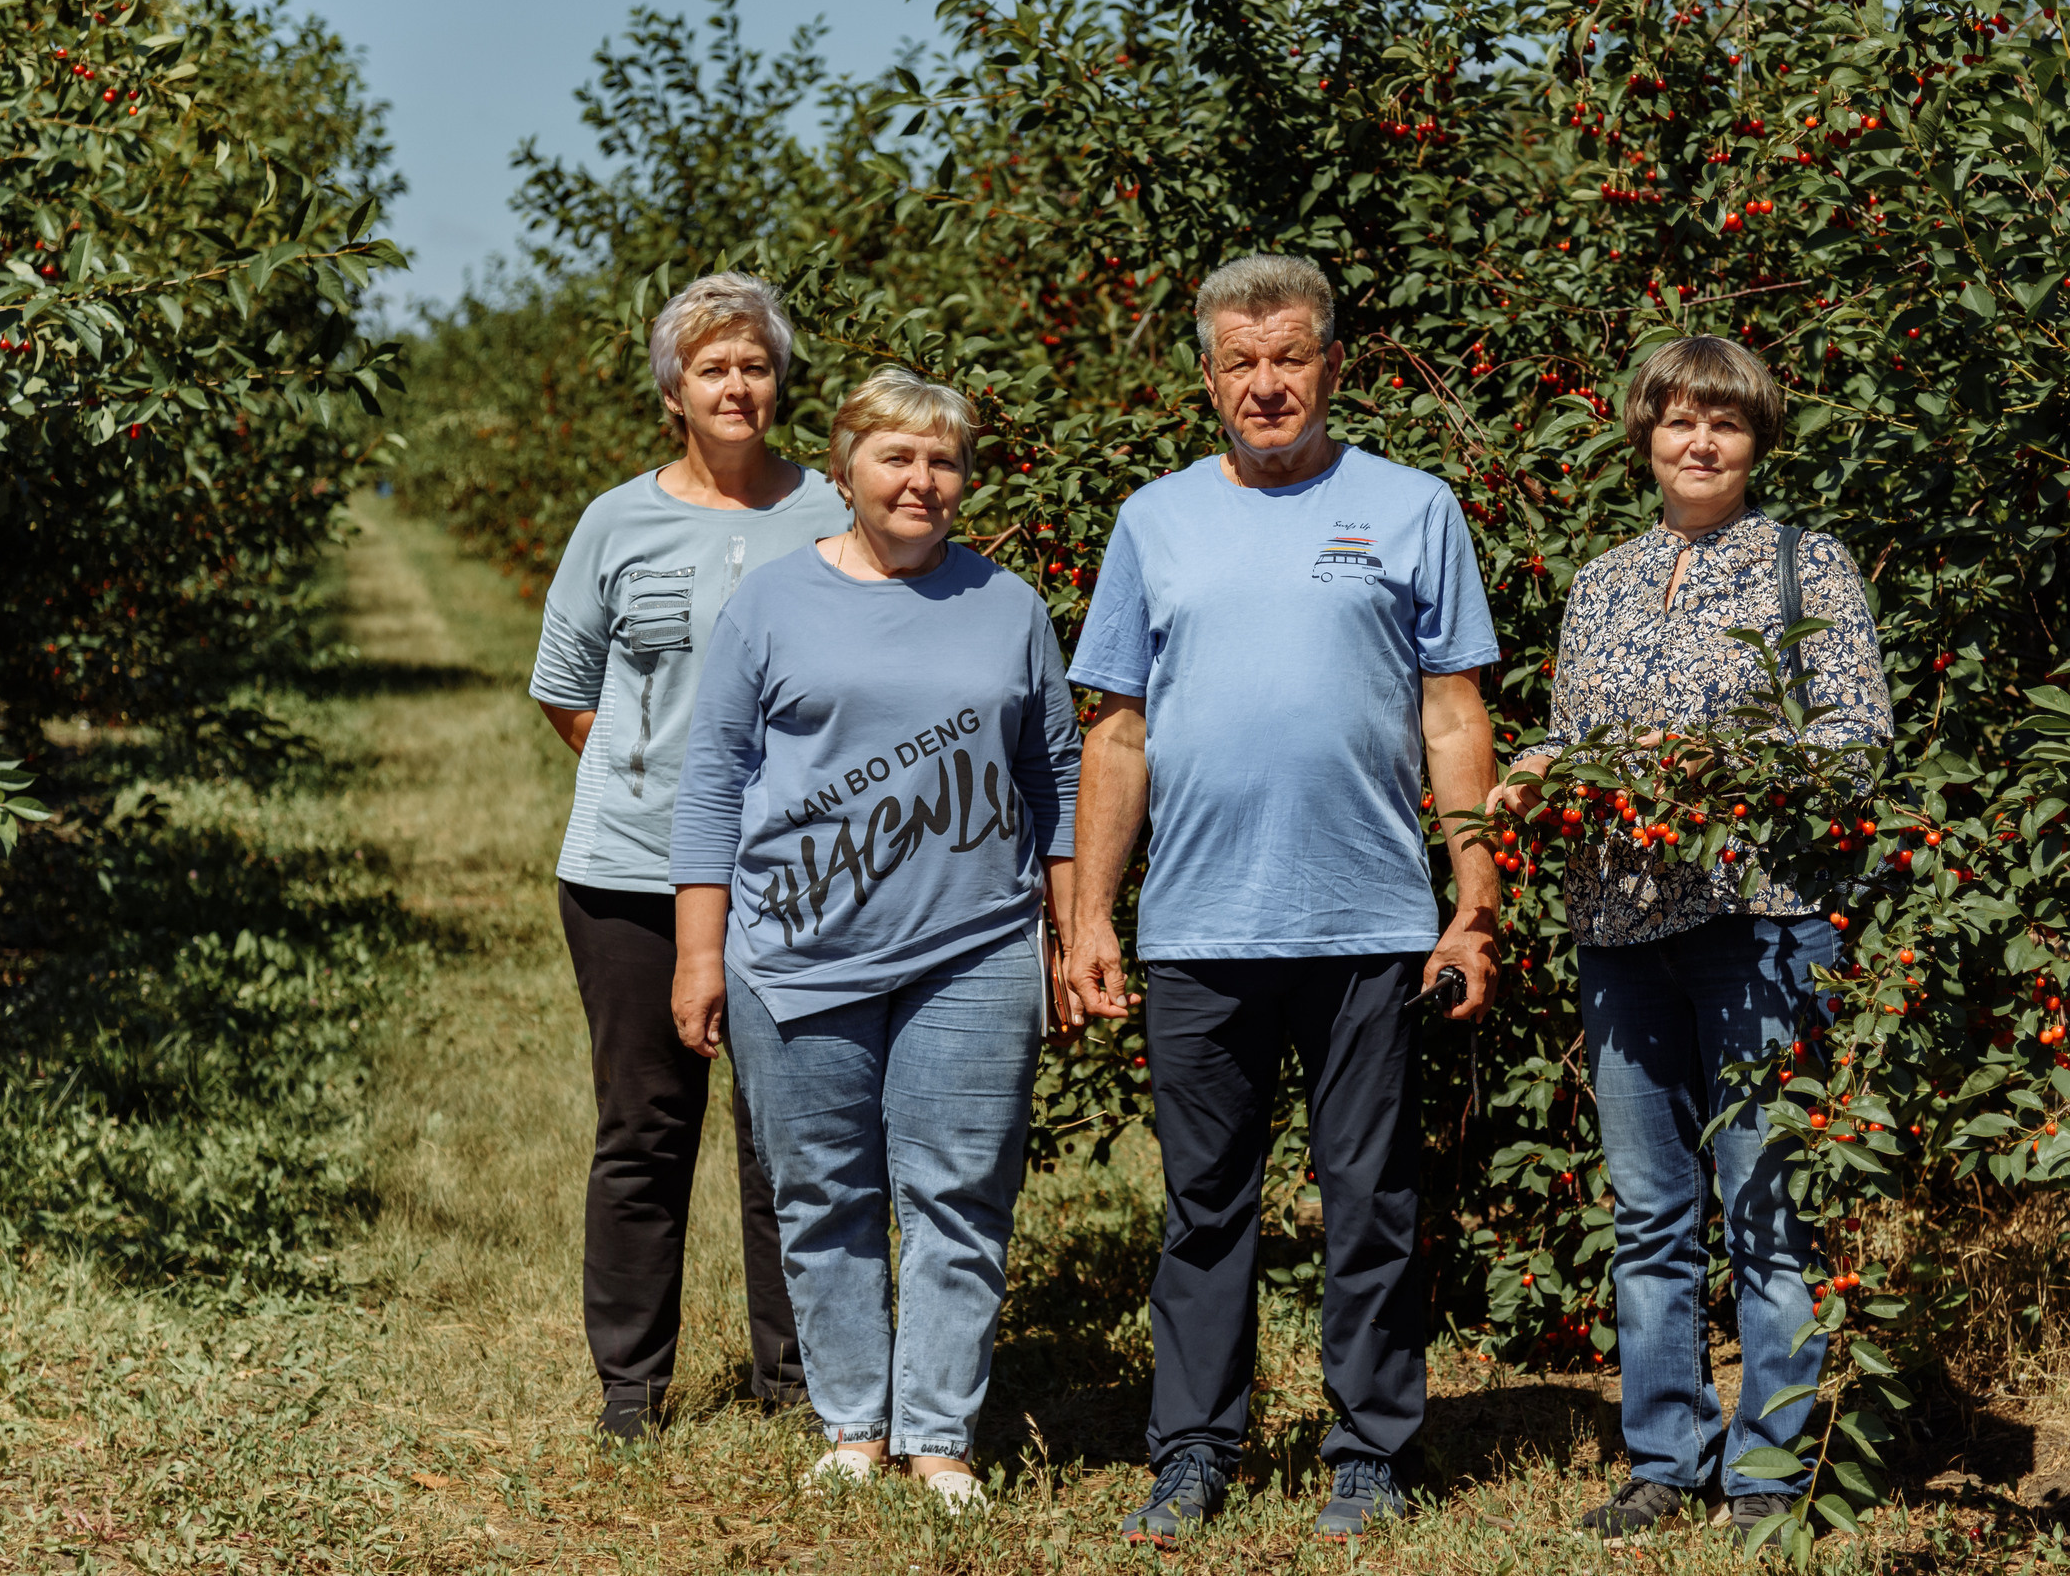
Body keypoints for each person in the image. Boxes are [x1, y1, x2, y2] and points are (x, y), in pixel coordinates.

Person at [1065, 254, 1503, 1546]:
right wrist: (1090, 918)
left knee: (1370, 1199)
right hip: (1200, 923)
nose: (1268, 384)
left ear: (1332, 367)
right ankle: (1193, 1450)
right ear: (1209, 378)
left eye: (1291, 357)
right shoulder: (1155, 521)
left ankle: (1368, 1450)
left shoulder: (1414, 507)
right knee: (1205, 1205)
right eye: (1243, 363)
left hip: (1368, 921)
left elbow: (1453, 712)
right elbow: (1117, 736)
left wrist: (1473, 898)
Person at [1487, 335, 1892, 1539]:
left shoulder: (1802, 567)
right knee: (1650, 1207)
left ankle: (1769, 1474)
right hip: (1618, 923)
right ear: (1644, 436)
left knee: (1766, 1198)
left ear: (1757, 439)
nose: (1699, 441)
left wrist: (1715, 764)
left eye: (1723, 422)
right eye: (1677, 421)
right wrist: (1533, 772)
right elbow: (1574, 737)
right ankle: (1665, 1456)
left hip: (1758, 923)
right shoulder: (1602, 580)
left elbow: (1856, 742)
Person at [668, 366, 1081, 1515]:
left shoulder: (1010, 606)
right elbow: (712, 785)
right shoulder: (770, 604)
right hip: (793, 952)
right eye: (897, 456)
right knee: (823, 1192)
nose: (921, 479)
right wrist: (701, 955)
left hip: (974, 946)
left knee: (958, 1194)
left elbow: (1055, 778)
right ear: (844, 465)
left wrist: (1069, 926)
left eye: (943, 460)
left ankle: (939, 1432)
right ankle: (853, 1419)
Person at [530, 271, 847, 1443]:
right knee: (645, 1127)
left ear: (778, 382)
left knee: (791, 1134)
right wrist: (657, 784)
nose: (736, 385)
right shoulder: (617, 520)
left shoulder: (829, 515)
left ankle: (798, 1374)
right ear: (674, 389)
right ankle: (631, 1388)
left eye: (754, 364)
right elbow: (567, 691)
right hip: (630, 873)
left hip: (797, 873)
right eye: (713, 366)